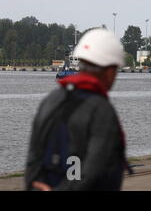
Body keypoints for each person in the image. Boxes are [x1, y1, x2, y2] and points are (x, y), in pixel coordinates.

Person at [25, 28, 128, 191]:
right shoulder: (101, 110)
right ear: (109, 71)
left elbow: (33, 160)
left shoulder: (50, 100)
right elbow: (94, 171)